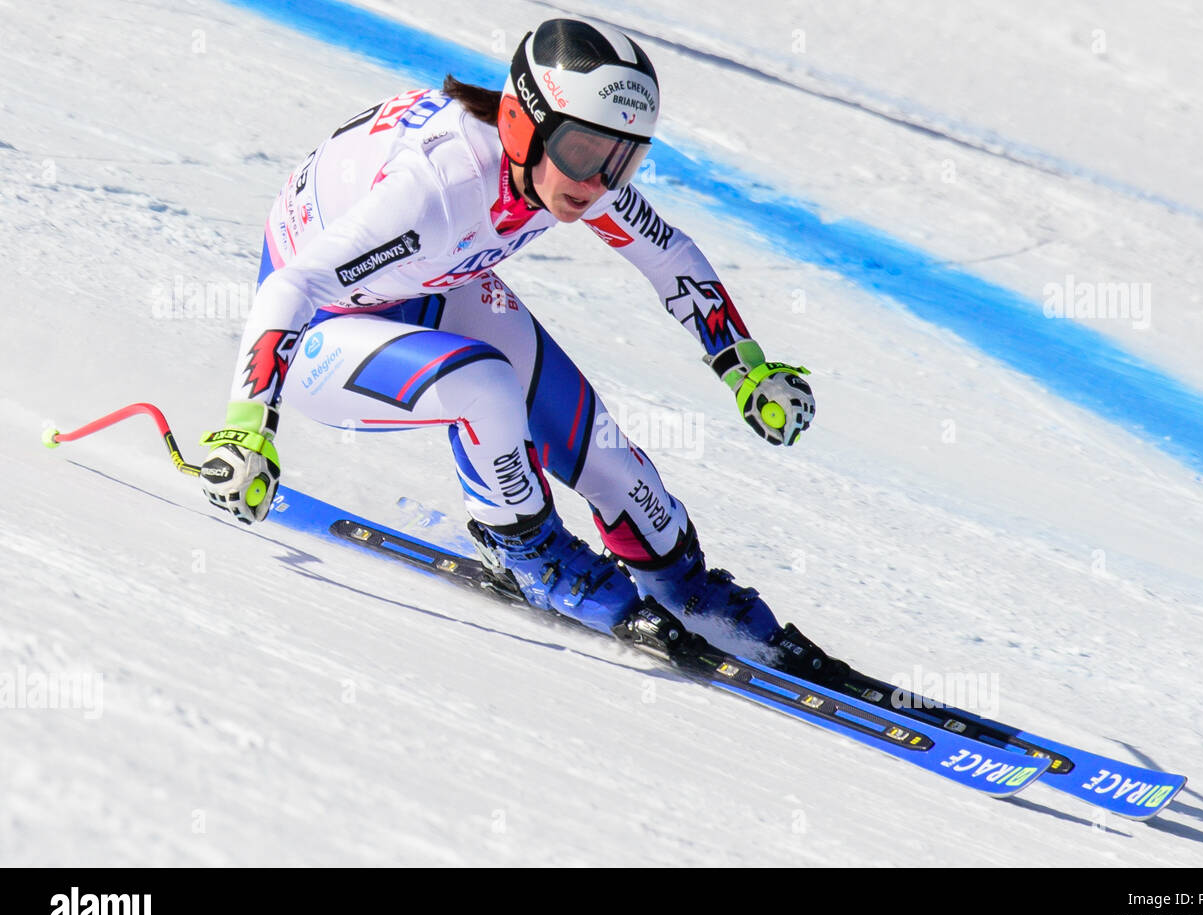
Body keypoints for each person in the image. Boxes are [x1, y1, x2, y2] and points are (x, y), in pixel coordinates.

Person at [199, 18, 838, 677]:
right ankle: (529, 551)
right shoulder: (439, 188)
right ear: (522, 124)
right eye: (589, 153)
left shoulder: (559, 164)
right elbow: (291, 285)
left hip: (430, 286)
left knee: (616, 466)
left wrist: (747, 368)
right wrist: (247, 429)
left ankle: (683, 583)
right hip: (317, 332)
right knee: (485, 384)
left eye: (625, 158)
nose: (599, 182)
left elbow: (667, 254)